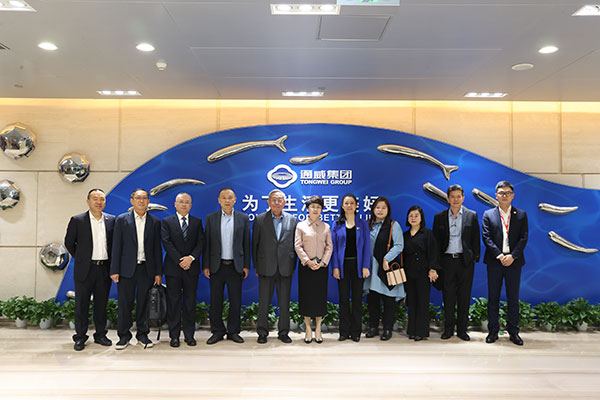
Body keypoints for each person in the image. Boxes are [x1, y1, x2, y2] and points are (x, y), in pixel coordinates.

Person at [110, 188, 162, 350]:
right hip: (126, 269)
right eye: (138, 198)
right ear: (132, 201)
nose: (141, 201)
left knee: (144, 304)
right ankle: (123, 336)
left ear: (148, 202)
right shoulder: (122, 220)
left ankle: (142, 334)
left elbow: (157, 249)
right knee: (124, 304)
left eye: (144, 198)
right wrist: (114, 270)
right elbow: (116, 246)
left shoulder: (155, 222)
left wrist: (158, 272)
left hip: (146, 269)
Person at [64, 188, 115, 351]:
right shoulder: (78, 220)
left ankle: (100, 335)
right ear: (88, 201)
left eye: (102, 199)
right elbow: (69, 242)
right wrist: (81, 258)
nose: (99, 202)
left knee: (101, 305)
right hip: (85, 269)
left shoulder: (111, 220)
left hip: (104, 269)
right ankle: (80, 337)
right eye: (95, 198)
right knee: (82, 305)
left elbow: (114, 245)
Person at [482, 181, 528, 346]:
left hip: (514, 262)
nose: (504, 196)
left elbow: (524, 238)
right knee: (493, 297)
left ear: (512, 196)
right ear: (496, 195)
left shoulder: (521, 214)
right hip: (495, 261)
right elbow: (486, 237)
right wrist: (500, 255)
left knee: (513, 298)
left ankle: (513, 332)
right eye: (501, 193)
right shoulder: (488, 214)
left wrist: (512, 256)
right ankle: (493, 331)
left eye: (508, 193)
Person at [203, 188, 250, 345]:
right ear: (219, 200)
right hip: (216, 266)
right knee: (215, 300)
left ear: (235, 199)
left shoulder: (243, 218)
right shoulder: (211, 218)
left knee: (235, 301)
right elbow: (207, 243)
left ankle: (233, 331)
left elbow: (246, 243)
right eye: (224, 197)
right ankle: (217, 331)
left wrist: (246, 265)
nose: (227, 200)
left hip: (235, 266)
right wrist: (206, 265)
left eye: (230, 197)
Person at [433, 184, 480, 341]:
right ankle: (448, 330)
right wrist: (436, 264)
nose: (455, 199)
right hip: (446, 262)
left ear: (463, 198)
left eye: (458, 196)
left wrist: (474, 258)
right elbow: (436, 243)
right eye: (452, 197)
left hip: (465, 262)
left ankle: (462, 330)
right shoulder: (439, 217)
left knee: (464, 297)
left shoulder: (471, 215)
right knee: (448, 297)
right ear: (447, 199)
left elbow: (475, 239)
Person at [252, 189, 298, 344]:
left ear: (285, 202)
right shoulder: (260, 219)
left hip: (285, 267)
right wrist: (256, 266)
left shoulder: (292, 220)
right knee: (264, 302)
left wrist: (293, 266)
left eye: (280, 200)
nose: (277, 203)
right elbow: (255, 244)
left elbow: (295, 245)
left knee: (284, 303)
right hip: (265, 267)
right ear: (268, 202)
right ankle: (262, 333)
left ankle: (283, 332)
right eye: (274, 200)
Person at [161, 193, 204, 348]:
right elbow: (166, 242)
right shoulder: (167, 222)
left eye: (187, 202)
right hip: (173, 269)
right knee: (173, 303)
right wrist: (181, 260)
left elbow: (201, 243)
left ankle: (189, 335)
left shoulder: (197, 222)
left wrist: (190, 258)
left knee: (190, 303)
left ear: (191, 205)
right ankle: (174, 336)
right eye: (181, 202)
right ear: (175, 204)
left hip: (191, 268)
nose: (184, 204)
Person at [364, 196, 404, 341]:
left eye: (383, 208)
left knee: (389, 300)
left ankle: (387, 329)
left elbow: (399, 245)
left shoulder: (393, 225)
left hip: (386, 268)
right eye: (377, 207)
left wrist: (387, 258)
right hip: (371, 268)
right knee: (372, 300)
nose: (380, 210)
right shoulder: (367, 225)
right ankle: (373, 327)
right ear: (373, 209)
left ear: (388, 210)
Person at [331, 193, 371, 342]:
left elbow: (367, 246)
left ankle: (356, 332)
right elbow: (334, 248)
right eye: (346, 203)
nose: (349, 206)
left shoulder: (362, 223)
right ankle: (344, 331)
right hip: (342, 266)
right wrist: (335, 267)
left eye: (352, 203)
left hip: (358, 266)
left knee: (357, 299)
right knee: (343, 299)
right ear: (342, 206)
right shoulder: (337, 224)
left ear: (356, 206)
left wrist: (365, 266)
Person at [294, 196, 333, 344]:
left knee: (319, 298)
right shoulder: (301, 226)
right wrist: (308, 261)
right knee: (306, 297)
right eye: (312, 207)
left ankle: (318, 329)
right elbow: (298, 246)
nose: (315, 209)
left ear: (321, 209)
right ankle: (308, 328)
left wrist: (322, 263)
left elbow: (329, 246)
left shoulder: (326, 227)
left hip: (321, 268)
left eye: (318, 207)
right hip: (306, 267)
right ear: (308, 209)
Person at [403, 206, 439, 341]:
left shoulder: (427, 233)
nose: (413, 218)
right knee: (411, 301)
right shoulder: (405, 235)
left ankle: (421, 332)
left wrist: (433, 269)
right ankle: (412, 330)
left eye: (416, 215)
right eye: (411, 215)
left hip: (423, 272)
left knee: (422, 302)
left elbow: (433, 252)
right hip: (409, 273)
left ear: (421, 218)